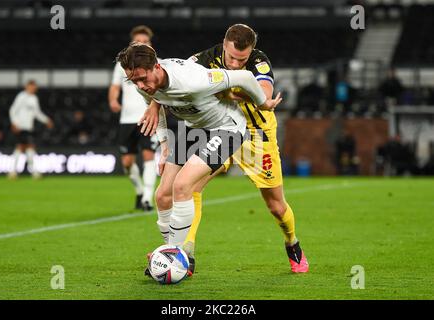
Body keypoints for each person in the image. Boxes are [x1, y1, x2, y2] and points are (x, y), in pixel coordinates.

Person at [140, 24, 309, 274]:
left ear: (251, 52)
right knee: (189, 187)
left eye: (242, 59)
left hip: (256, 135)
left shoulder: (259, 63)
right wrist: (155, 104)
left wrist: (222, 89)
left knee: (276, 205)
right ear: (224, 44)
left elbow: (263, 92)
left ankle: (292, 242)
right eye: (231, 57)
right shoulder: (202, 60)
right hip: (213, 130)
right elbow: (171, 83)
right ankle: (184, 254)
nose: (235, 64)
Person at [115, 42, 282, 277]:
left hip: (227, 128)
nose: (141, 85)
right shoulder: (144, 84)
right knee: (162, 196)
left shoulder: (192, 79)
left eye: (143, 79)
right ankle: (173, 253)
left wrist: (263, 102)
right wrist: (164, 145)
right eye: (135, 81)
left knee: (183, 185)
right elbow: (157, 111)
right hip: (195, 129)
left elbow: (243, 77)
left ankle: (173, 255)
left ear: (156, 67)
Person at [108, 25, 158, 211]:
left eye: (145, 42)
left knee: (148, 156)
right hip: (126, 119)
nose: (141, 45)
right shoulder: (122, 65)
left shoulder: (157, 64)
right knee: (127, 163)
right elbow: (114, 87)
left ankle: (147, 198)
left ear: (150, 44)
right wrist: (113, 100)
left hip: (148, 118)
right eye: (138, 42)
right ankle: (139, 191)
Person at [8, 80, 53, 179]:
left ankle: (14, 172)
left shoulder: (34, 98)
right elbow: (12, 110)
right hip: (20, 127)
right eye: (32, 86)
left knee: (23, 148)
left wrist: (46, 120)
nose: (33, 88)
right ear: (27, 86)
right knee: (25, 147)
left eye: (34, 87)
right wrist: (14, 123)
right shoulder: (21, 96)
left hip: (28, 127)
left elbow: (37, 113)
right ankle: (30, 171)